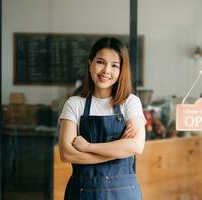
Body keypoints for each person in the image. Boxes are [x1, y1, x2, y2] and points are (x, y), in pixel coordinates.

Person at [58, 37, 146, 200]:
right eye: (100, 62)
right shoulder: (74, 104)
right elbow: (67, 154)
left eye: (114, 65)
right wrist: (120, 151)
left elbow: (136, 146)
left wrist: (88, 147)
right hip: (82, 192)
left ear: (121, 71)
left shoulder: (131, 102)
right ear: (90, 64)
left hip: (124, 193)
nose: (106, 70)